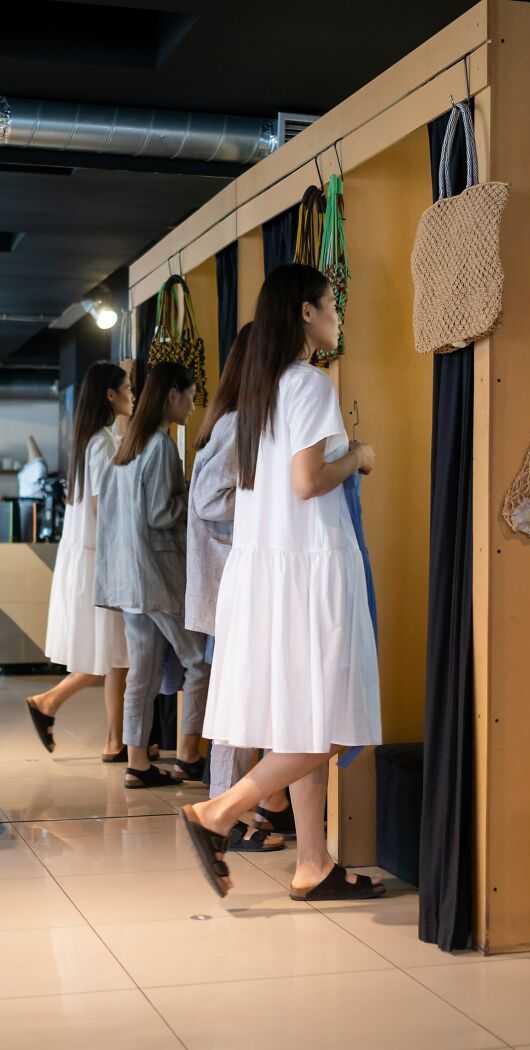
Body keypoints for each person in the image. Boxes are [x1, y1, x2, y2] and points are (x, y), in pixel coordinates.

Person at [181, 264, 384, 900]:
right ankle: (217, 812)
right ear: (305, 312)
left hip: (266, 571)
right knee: (336, 726)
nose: (337, 315)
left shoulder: (258, 393)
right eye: (332, 304)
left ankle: (313, 864)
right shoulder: (311, 385)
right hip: (310, 566)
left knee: (302, 719)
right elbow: (306, 483)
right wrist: (357, 458)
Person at [186, 324, 291, 846]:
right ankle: (226, 817)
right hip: (233, 581)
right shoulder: (235, 424)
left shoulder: (234, 419)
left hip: (237, 580)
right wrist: (265, 505)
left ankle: (257, 805)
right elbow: (209, 500)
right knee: (237, 703)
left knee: (250, 698)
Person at [94, 361, 210, 789]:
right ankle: (188, 756)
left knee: (140, 672)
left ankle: (138, 763)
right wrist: (192, 494)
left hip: (129, 577)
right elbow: (163, 513)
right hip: (158, 574)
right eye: (190, 393)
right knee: (199, 662)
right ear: (172, 395)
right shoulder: (161, 447)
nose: (193, 402)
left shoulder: (127, 445)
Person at [26, 362, 133, 759]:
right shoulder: (102, 442)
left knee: (112, 653)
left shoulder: (91, 439)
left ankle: (113, 739)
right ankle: (53, 704)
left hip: (86, 555)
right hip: (98, 558)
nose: (132, 394)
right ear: (110, 394)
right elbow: (101, 507)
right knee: (112, 652)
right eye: (127, 387)